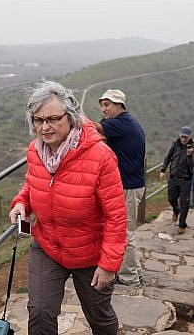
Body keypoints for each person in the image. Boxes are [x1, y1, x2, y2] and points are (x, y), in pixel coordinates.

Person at [9, 81, 127, 334]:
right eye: (38, 120)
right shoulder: (35, 151)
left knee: (100, 318)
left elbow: (116, 216)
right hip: (48, 245)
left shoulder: (101, 157)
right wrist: (21, 203)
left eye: (52, 119)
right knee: (39, 313)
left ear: (70, 117)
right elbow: (32, 185)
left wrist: (109, 264)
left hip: (90, 252)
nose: (45, 127)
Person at [92, 89, 145, 287]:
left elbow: (94, 127)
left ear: (119, 105)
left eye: (107, 105)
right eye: (102, 105)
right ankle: (136, 273)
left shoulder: (122, 123)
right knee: (127, 231)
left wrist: (71, 117)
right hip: (132, 184)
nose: (103, 109)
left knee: (124, 233)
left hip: (128, 186)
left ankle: (130, 279)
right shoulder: (124, 122)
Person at [160, 126, 194, 234]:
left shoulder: (193, 148)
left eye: (186, 137)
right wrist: (163, 170)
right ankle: (176, 211)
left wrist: (189, 155)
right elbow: (168, 157)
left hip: (186, 179)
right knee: (171, 199)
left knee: (184, 202)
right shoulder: (175, 144)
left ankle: (182, 224)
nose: (183, 139)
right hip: (173, 178)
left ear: (190, 137)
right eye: (182, 136)